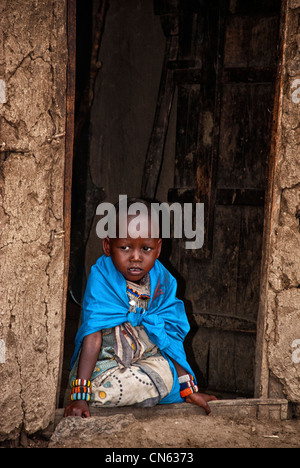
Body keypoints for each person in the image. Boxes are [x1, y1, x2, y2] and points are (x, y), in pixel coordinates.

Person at [64, 198, 216, 418]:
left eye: (146, 248)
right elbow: (93, 335)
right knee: (116, 386)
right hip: (106, 364)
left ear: (158, 248)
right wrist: (79, 396)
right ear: (107, 246)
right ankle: (93, 394)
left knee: (166, 374)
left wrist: (189, 389)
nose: (135, 257)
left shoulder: (162, 281)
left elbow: (168, 337)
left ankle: (142, 392)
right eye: (124, 247)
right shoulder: (102, 277)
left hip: (146, 360)